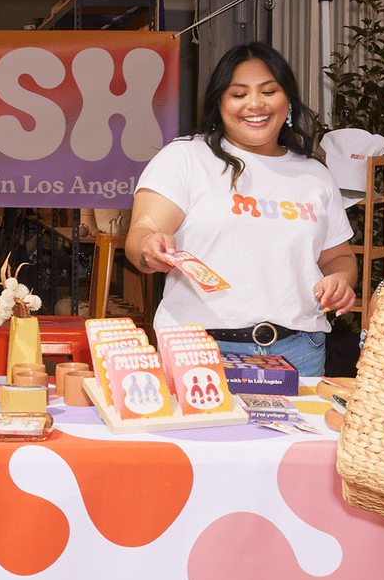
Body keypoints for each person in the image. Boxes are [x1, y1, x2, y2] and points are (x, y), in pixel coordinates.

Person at [125, 41, 357, 377]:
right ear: (219, 102)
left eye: (269, 91)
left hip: (300, 351)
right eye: (238, 94)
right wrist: (149, 246)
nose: (255, 104)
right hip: (200, 349)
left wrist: (339, 281)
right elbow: (142, 233)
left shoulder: (315, 175)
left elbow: (339, 257)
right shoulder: (186, 158)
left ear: (288, 100)